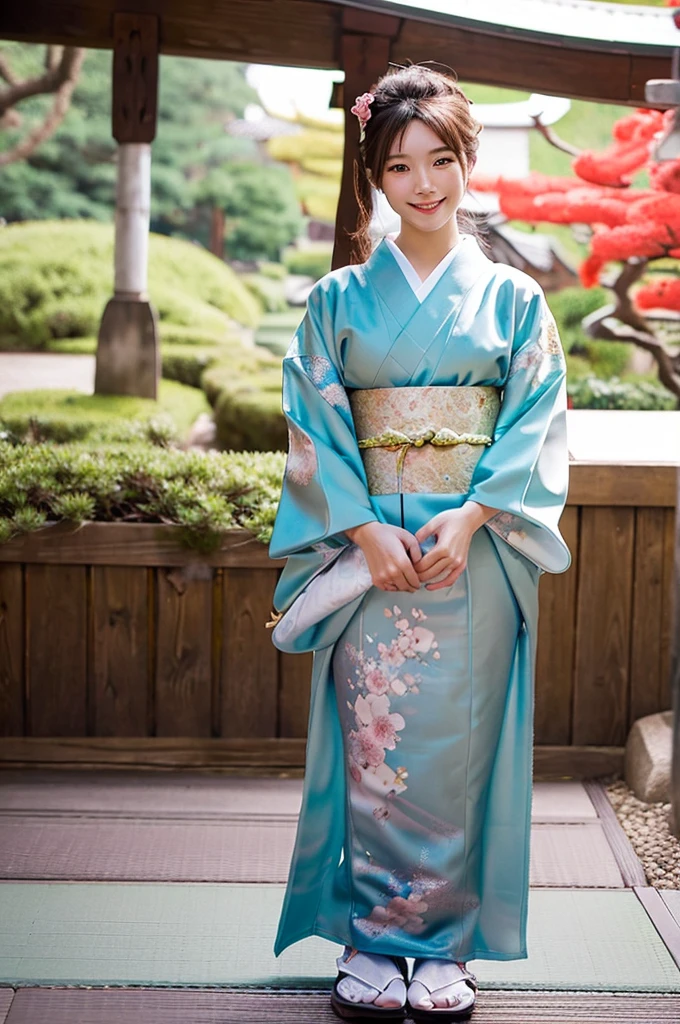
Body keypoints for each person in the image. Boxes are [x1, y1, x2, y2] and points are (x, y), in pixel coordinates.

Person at [266, 63, 572, 1022]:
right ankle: (372, 940)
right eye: (400, 166)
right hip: (370, 558)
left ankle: (441, 946)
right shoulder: (338, 302)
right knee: (376, 749)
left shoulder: (516, 302)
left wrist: (477, 514)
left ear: (468, 161)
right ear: (375, 178)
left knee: (457, 745)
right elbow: (313, 421)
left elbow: (538, 417)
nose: (424, 184)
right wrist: (360, 526)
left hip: (467, 551)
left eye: (442, 160)